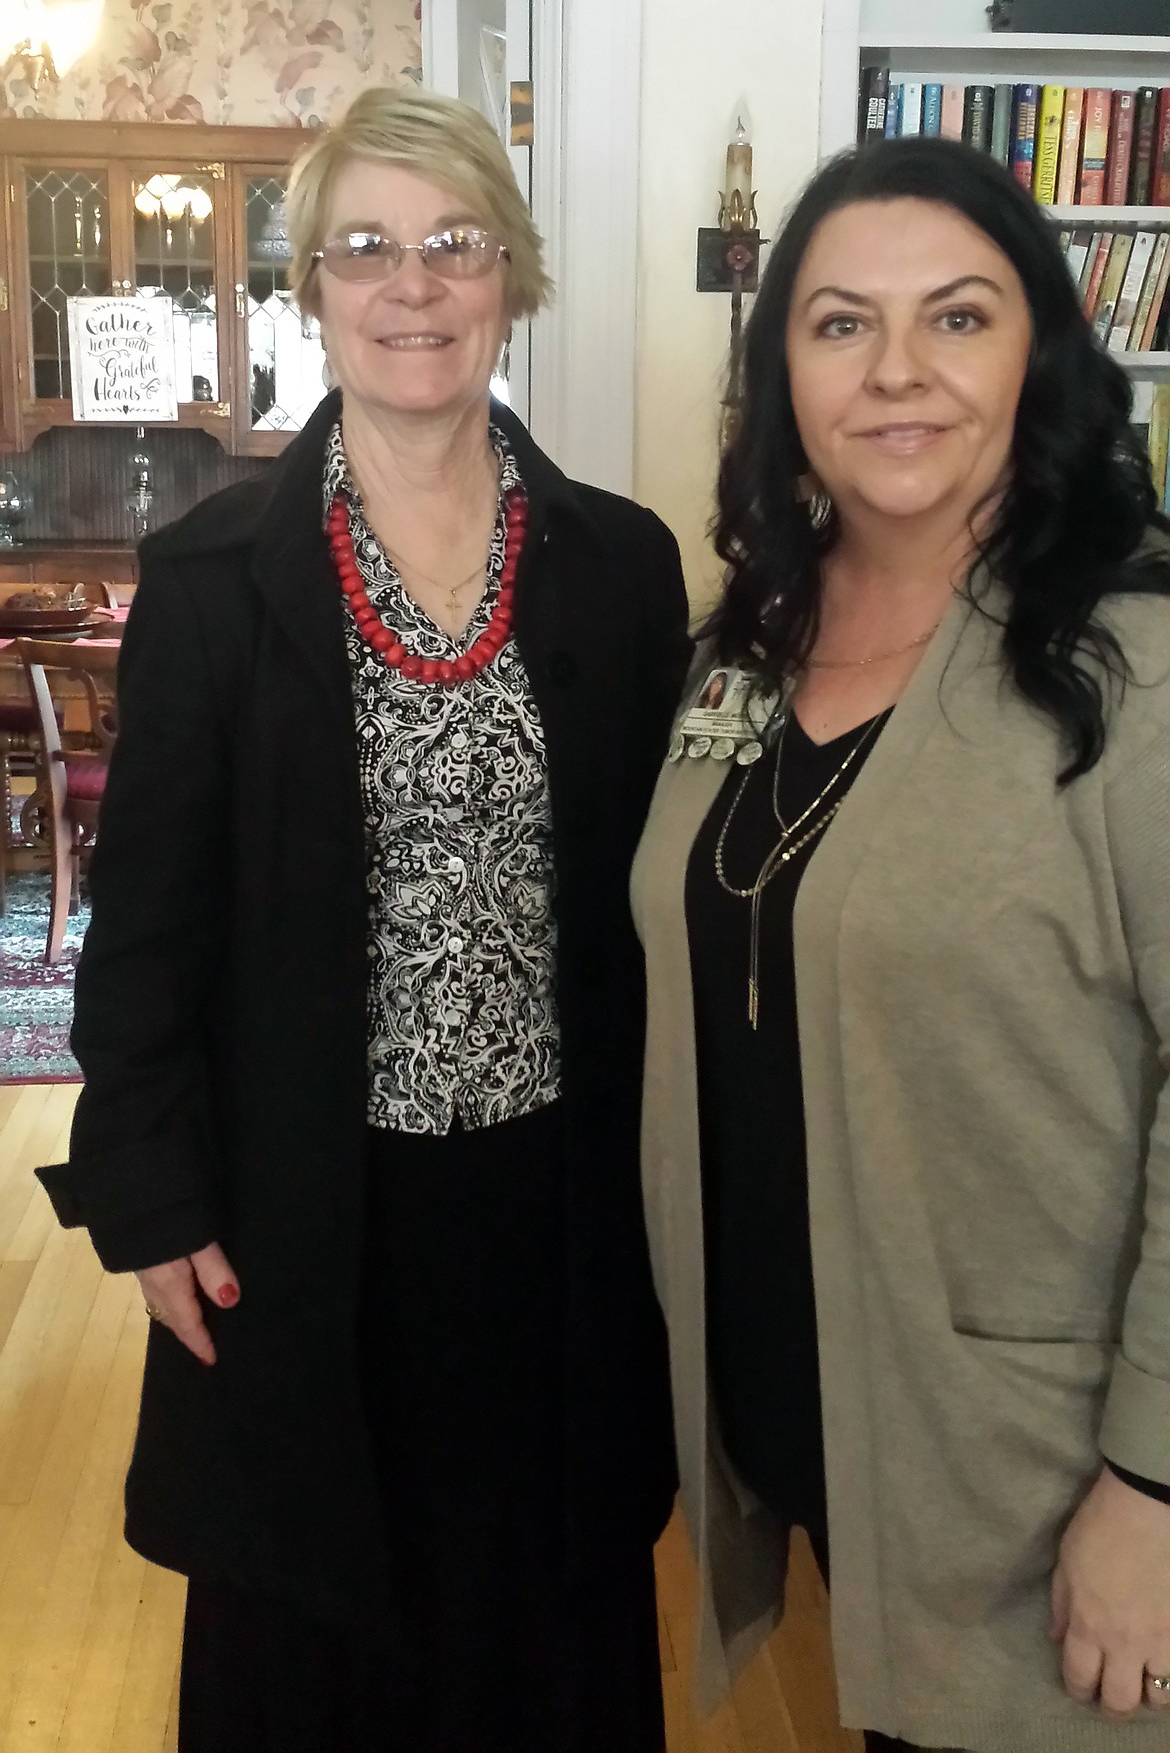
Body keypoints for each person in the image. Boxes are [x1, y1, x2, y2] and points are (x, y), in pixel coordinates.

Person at [38, 85, 689, 1753]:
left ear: (509, 279)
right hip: (295, 1211)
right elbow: (150, 931)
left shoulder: (622, 571)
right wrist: (151, 1196)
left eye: (455, 244)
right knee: (306, 1632)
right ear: (312, 288)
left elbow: (650, 907)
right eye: (368, 249)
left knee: (539, 1621)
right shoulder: (210, 580)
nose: (415, 285)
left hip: (553, 1208)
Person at [633, 136, 1170, 1753]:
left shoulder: (1133, 666)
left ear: (1040, 352)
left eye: (955, 317)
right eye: (838, 324)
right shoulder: (738, 652)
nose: (896, 375)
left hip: (1040, 1475)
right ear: (781, 367)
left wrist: (1152, 1486)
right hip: (829, 1429)